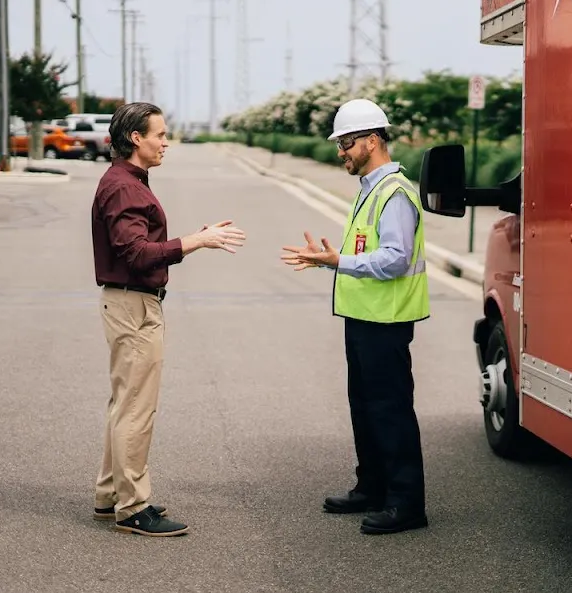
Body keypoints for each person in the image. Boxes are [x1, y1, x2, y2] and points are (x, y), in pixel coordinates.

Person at [91, 101, 246, 537]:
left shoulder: (128, 181)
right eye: (159, 135)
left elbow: (140, 245)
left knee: (125, 405)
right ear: (135, 138)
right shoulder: (124, 187)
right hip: (134, 306)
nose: (166, 143)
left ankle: (111, 496)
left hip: (129, 303)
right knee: (137, 409)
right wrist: (196, 240)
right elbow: (136, 254)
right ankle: (133, 508)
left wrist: (194, 238)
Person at [280, 98, 430, 536]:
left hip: (386, 321)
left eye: (346, 142)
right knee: (365, 408)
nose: (340, 151)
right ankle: (372, 487)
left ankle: (406, 503)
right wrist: (333, 260)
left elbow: (396, 259)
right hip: (364, 318)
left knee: (390, 411)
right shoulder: (370, 190)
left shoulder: (395, 193)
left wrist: (336, 261)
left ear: (372, 140)